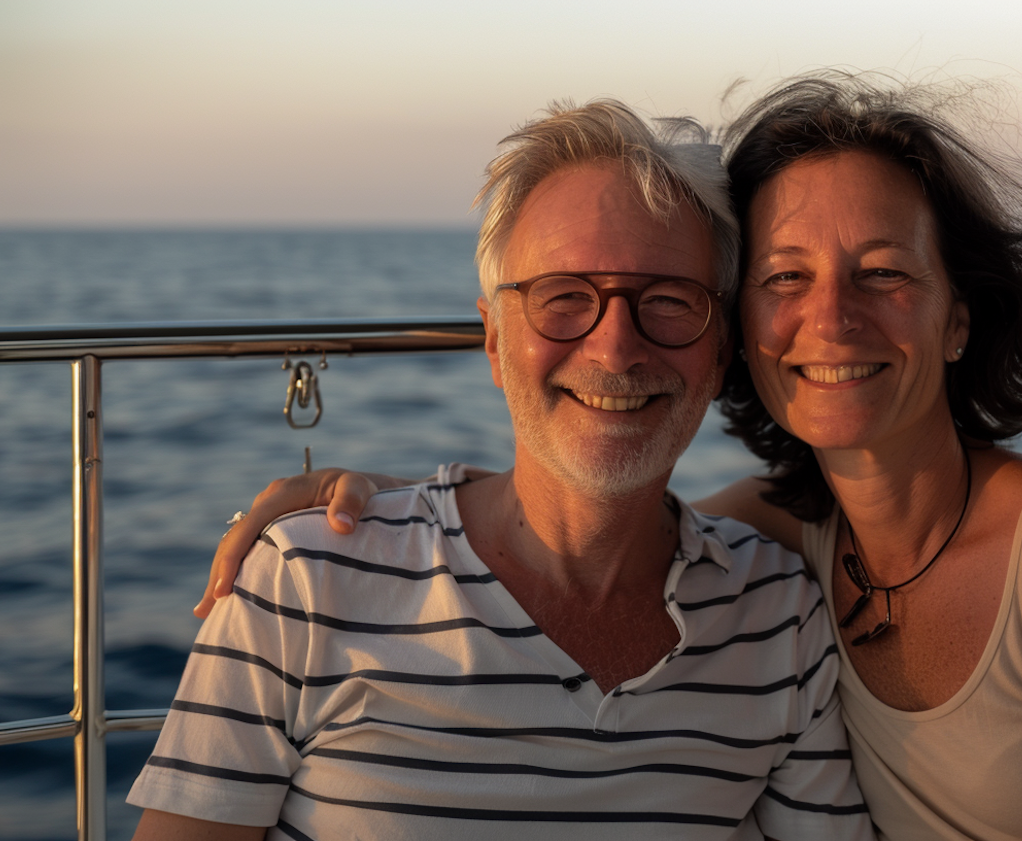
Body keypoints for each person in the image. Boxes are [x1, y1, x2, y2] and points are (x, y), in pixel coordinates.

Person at [201, 73, 1022, 841]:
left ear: (959, 318)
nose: (832, 320)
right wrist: (379, 514)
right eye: (786, 277)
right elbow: (583, 511)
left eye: (885, 274)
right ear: (740, 328)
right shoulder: (780, 538)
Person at [129, 100, 872, 841]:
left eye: (669, 301)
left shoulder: (776, 616)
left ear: (720, 355)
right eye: (563, 298)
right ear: (493, 338)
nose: (615, 349)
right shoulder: (308, 578)